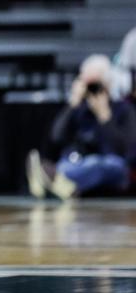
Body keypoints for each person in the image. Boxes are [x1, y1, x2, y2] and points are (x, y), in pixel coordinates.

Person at [27, 55, 136, 200]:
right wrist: (72, 105)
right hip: (78, 161)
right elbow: (56, 137)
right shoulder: (78, 109)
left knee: (101, 164)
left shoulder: (123, 109)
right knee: (67, 164)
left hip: (111, 164)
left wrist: (104, 117)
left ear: (108, 83)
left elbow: (125, 151)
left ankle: (55, 180)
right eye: (87, 84)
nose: (92, 90)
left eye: (96, 84)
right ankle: (64, 184)